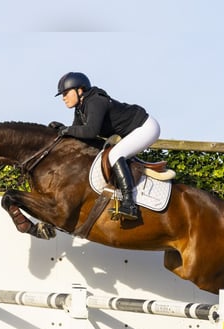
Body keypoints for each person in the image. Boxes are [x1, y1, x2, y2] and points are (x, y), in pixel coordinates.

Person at [50, 72, 161, 221]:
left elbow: (90, 131)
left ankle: (129, 204)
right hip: (134, 131)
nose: (63, 97)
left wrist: (67, 130)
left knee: (115, 154)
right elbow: (78, 132)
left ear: (80, 90)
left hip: (146, 127)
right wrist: (62, 129)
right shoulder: (81, 108)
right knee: (113, 153)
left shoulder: (95, 101)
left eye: (66, 93)